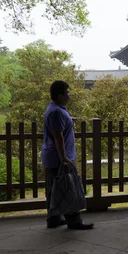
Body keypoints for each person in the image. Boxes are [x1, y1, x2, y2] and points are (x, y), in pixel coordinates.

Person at [41, 80, 93, 230]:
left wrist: (70, 119)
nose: (69, 95)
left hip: (51, 156)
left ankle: (53, 218)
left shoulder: (55, 108)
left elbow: (59, 125)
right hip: (59, 157)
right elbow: (58, 136)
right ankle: (74, 221)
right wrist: (64, 157)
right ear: (59, 96)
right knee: (68, 187)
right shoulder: (57, 112)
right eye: (67, 92)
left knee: (54, 188)